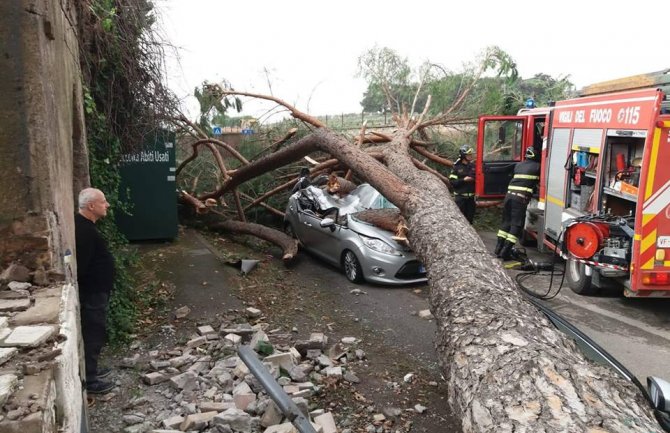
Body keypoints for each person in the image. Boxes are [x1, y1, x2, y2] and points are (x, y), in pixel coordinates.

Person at [75, 188, 116, 394]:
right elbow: (82, 266)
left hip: (96, 291)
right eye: (103, 201)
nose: (107, 204)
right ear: (91, 206)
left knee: (95, 331)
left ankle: (92, 370)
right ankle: (90, 381)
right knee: (92, 332)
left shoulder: (87, 227)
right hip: (92, 293)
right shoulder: (84, 231)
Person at [494, 147, 541, 260]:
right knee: (516, 224)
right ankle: (505, 252)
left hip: (508, 197)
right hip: (519, 199)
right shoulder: (538, 167)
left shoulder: (518, 165)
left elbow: (503, 170)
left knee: (506, 221)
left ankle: (498, 248)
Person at [449, 145, 477, 224]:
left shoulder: (473, 166)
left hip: (471, 199)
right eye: (469, 154)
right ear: (463, 155)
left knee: (470, 220)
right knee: (460, 221)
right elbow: (452, 182)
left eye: (471, 154)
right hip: (460, 199)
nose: (471, 156)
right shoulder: (456, 168)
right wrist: (464, 180)